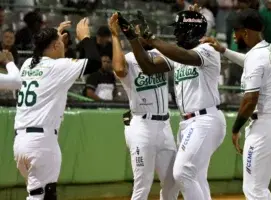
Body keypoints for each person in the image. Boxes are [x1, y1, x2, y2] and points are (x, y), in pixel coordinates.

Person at [118, 9, 226, 200]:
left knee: (182, 173)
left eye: (179, 29)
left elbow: (185, 57)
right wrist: (133, 39)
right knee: (197, 177)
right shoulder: (177, 55)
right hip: (188, 123)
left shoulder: (207, 50)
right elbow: (148, 66)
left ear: (191, 30)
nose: (176, 33)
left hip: (206, 119)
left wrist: (150, 38)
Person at [201, 8, 271, 200]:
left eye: (236, 30)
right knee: (260, 188)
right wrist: (223, 50)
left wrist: (236, 129)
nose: (234, 35)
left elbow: (250, 100)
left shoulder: (257, 57)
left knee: (253, 190)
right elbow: (250, 61)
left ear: (245, 32)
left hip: (265, 130)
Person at [13, 19, 102, 200]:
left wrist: (54, 38)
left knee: (40, 194)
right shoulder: (57, 67)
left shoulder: (27, 64)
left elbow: (48, 61)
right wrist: (85, 38)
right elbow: (94, 62)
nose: (64, 45)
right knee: (43, 196)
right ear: (54, 45)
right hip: (41, 142)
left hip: (21, 142)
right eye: (61, 43)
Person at [109, 13, 179, 200]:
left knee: (173, 181)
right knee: (142, 185)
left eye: (144, 29)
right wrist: (115, 36)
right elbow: (118, 69)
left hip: (164, 126)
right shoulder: (128, 59)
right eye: (137, 31)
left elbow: (151, 64)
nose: (143, 33)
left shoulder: (160, 54)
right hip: (142, 126)